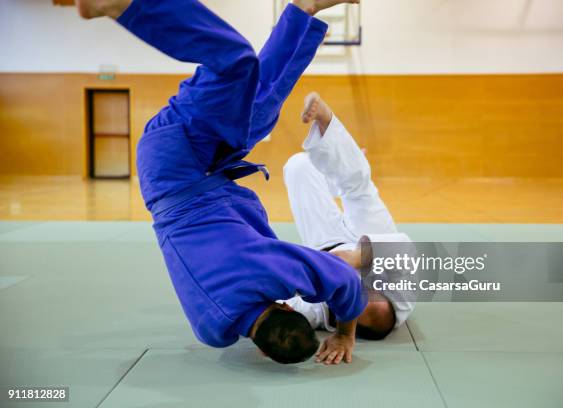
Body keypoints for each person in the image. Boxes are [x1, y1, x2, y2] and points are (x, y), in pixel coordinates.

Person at [75, 0, 364, 365]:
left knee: (236, 63)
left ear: (289, 311)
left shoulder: (266, 272)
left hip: (179, 163)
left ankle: (120, 6)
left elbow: (345, 281)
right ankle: (303, 11)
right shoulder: (212, 331)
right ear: (258, 346)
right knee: (259, 106)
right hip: (193, 177)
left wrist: (343, 333)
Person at [282, 92, 416, 339]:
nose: (358, 284)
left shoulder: (318, 310)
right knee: (358, 185)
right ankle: (326, 121)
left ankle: (337, 169)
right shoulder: (402, 297)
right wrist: (357, 258)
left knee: (298, 166)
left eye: (352, 295)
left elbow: (285, 311)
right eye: (369, 291)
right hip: (374, 240)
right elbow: (405, 248)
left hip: (324, 241)